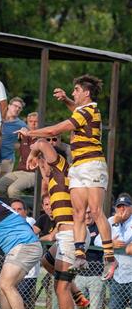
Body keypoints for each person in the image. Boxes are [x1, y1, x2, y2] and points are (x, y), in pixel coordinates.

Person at [17, 75, 117, 279]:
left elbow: (55, 129)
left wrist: (31, 133)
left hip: (92, 164)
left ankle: (109, 257)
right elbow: (75, 111)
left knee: (96, 211)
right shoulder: (82, 110)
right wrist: (66, 101)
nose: (74, 92)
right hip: (79, 166)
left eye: (76, 90)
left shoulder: (90, 110)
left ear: (86, 93)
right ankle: (79, 255)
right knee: (78, 213)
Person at [27, 138, 91, 309]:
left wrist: (33, 152)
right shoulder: (53, 179)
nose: (42, 166)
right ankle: (78, 296)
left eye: (45, 162)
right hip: (66, 235)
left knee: (60, 286)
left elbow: (42, 142)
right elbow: (45, 178)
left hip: (72, 235)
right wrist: (38, 161)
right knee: (47, 261)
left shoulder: (64, 169)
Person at [95, 195, 132, 309]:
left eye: (125, 206)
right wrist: (110, 242)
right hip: (117, 274)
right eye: (119, 207)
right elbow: (98, 240)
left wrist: (112, 239)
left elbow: (124, 241)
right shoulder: (110, 221)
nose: (122, 209)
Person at [74, 208, 105, 309]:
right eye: (85, 212)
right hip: (79, 276)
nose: (87, 215)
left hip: (96, 276)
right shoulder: (77, 227)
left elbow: (102, 243)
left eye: (89, 212)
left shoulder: (100, 227)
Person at [0, 113, 38, 200]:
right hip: (19, 171)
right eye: (30, 121)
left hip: (34, 173)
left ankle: (21, 211)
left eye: (36, 121)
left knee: (13, 190)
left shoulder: (43, 138)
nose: (33, 124)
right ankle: (8, 209)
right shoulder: (24, 136)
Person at [10, 199, 39, 309]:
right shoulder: (9, 223)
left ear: (26, 211)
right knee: (10, 302)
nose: (16, 212)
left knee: (21, 302)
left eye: (19, 209)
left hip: (28, 273)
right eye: (13, 209)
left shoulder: (29, 221)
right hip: (11, 270)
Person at [0, 97, 27, 177]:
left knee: (0, 186)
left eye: (19, 108)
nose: (17, 109)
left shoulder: (21, 125)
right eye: (15, 106)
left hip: (7, 159)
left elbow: (27, 140)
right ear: (9, 106)